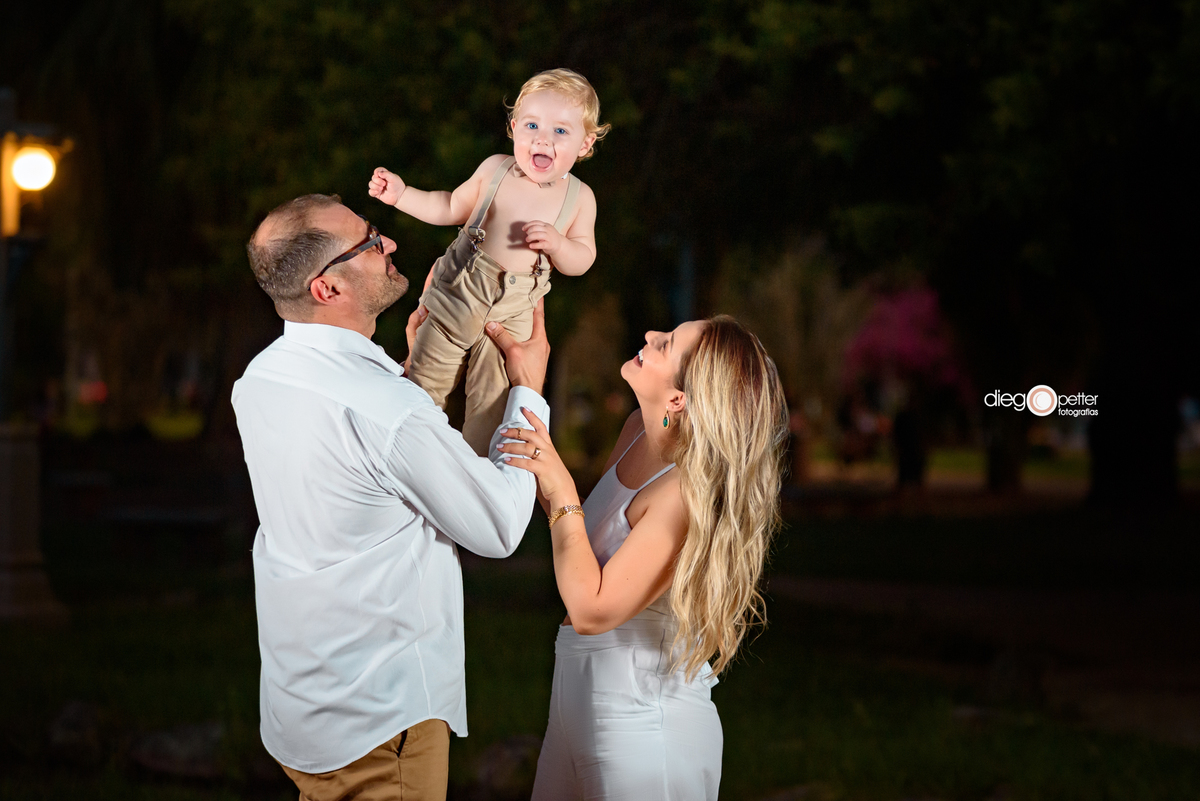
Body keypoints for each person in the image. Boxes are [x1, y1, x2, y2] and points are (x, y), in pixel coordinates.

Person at [232, 193, 551, 801]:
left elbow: (360, 471)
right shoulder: (384, 409)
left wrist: (412, 372)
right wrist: (528, 389)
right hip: (379, 726)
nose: (391, 245)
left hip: (303, 710)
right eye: (370, 242)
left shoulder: (261, 378)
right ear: (327, 287)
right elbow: (499, 526)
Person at [494, 315, 789, 800]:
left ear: (678, 399)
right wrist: (527, 387)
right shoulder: (637, 430)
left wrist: (563, 487)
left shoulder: (686, 494)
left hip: (645, 724)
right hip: (575, 702)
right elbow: (582, 538)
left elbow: (592, 610)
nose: (650, 335)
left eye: (666, 344)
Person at [369, 67, 610, 455]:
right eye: (532, 125)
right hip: (460, 289)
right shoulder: (495, 169)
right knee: (422, 385)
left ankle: (477, 469)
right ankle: (405, 457)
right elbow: (449, 206)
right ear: (514, 128)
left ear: (585, 144)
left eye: (560, 131)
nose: (543, 139)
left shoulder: (580, 198)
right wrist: (402, 195)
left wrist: (559, 245)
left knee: (491, 405)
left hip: (513, 311)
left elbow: (583, 258)